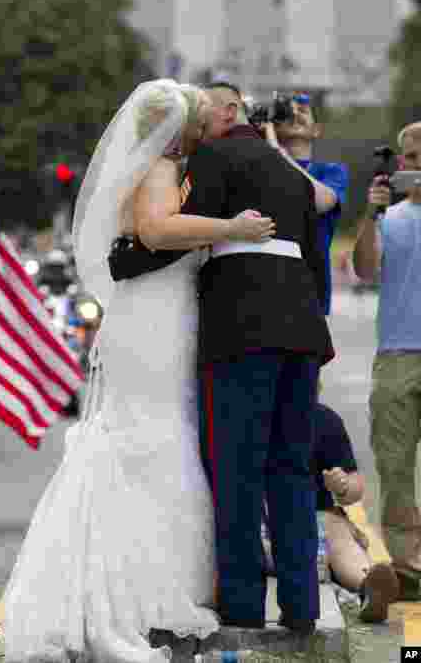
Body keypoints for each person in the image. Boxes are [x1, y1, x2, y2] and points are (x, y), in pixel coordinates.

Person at [1, 80, 276, 663]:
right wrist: (231, 229)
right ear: (176, 129)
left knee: (159, 429)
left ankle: (152, 579)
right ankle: (135, 591)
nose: (205, 133)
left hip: (163, 311)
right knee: (150, 434)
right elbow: (154, 232)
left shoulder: (161, 168)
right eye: (198, 123)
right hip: (152, 319)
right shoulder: (156, 169)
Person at [148, 81, 334, 632]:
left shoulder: (215, 156)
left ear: (229, 115)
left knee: (237, 472)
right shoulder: (289, 172)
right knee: (292, 470)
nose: (198, 125)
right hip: (301, 331)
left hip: (240, 331)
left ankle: (244, 607)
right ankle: (302, 608)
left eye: (206, 114)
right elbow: (315, 261)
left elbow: (183, 230)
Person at [351, 120, 421, 601]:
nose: (418, 167)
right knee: (395, 466)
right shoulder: (390, 220)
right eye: (412, 159)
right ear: (400, 164)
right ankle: (409, 568)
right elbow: (365, 270)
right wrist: (370, 216)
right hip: (397, 353)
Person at [307, 403, 399, 623]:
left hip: (316, 521)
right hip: (263, 524)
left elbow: (354, 488)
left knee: (336, 528)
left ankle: (369, 587)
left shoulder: (324, 420)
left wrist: (342, 486)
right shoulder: (248, 417)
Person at [264, 93, 347, 316]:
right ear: (273, 125)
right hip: (265, 287)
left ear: (317, 130)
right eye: (287, 112)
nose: (296, 114)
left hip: (311, 291)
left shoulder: (330, 172)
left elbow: (321, 202)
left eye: (303, 110)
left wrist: (276, 151)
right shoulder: (260, 167)